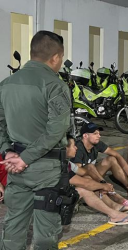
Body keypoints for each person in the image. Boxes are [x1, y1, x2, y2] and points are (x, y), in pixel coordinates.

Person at [0, 31, 70, 250]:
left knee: (13, 225)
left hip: (15, 167)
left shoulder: (6, 84)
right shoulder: (55, 85)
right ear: (56, 57)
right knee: (46, 233)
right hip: (45, 169)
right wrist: (26, 158)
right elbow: (55, 131)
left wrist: (8, 152)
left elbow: (0, 124)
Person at [66, 136, 128, 225]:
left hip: (58, 194)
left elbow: (85, 171)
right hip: (51, 202)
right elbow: (84, 182)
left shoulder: (66, 163)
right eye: (73, 146)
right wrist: (103, 186)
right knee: (86, 186)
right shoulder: (59, 165)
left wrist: (101, 182)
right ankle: (114, 208)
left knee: (90, 170)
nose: (75, 147)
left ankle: (116, 205)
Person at [72, 122, 128, 201]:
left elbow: (117, 155)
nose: (99, 136)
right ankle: (111, 194)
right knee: (90, 167)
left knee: (111, 159)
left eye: (99, 133)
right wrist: (93, 174)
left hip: (93, 176)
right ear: (85, 136)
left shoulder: (96, 144)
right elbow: (77, 174)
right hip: (83, 181)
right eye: (95, 133)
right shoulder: (78, 149)